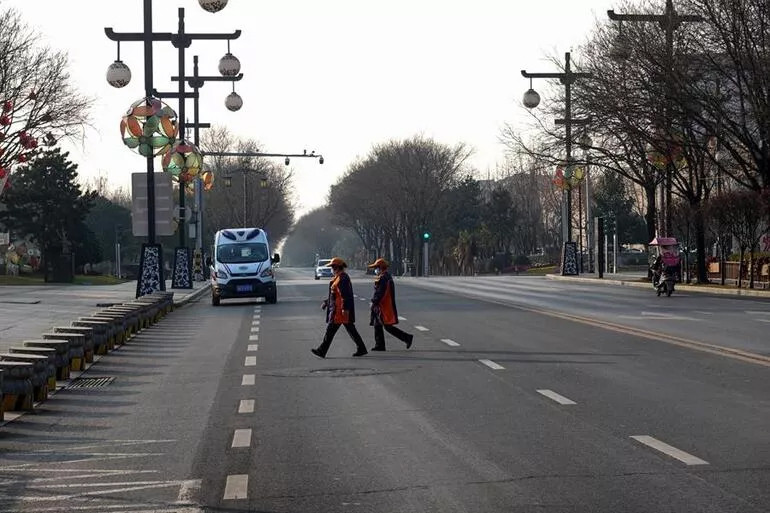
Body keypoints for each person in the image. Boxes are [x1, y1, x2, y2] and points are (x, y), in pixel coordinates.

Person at [311, 257, 368, 358]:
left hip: (339, 311)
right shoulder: (338, 278)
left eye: (332, 267)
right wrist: (326, 302)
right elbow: (335, 296)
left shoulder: (342, 279)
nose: (331, 269)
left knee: (330, 331)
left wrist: (344, 309)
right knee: (351, 330)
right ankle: (361, 348)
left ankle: (322, 351)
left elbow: (344, 296)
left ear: (336, 267)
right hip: (337, 310)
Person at [367, 258, 413, 351]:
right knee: (377, 324)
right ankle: (379, 345)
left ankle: (407, 337)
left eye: (376, 268)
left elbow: (380, 292)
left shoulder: (383, 278)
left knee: (387, 326)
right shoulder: (386, 276)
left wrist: (374, 301)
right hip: (382, 305)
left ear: (380, 268)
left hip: (383, 305)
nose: (375, 270)